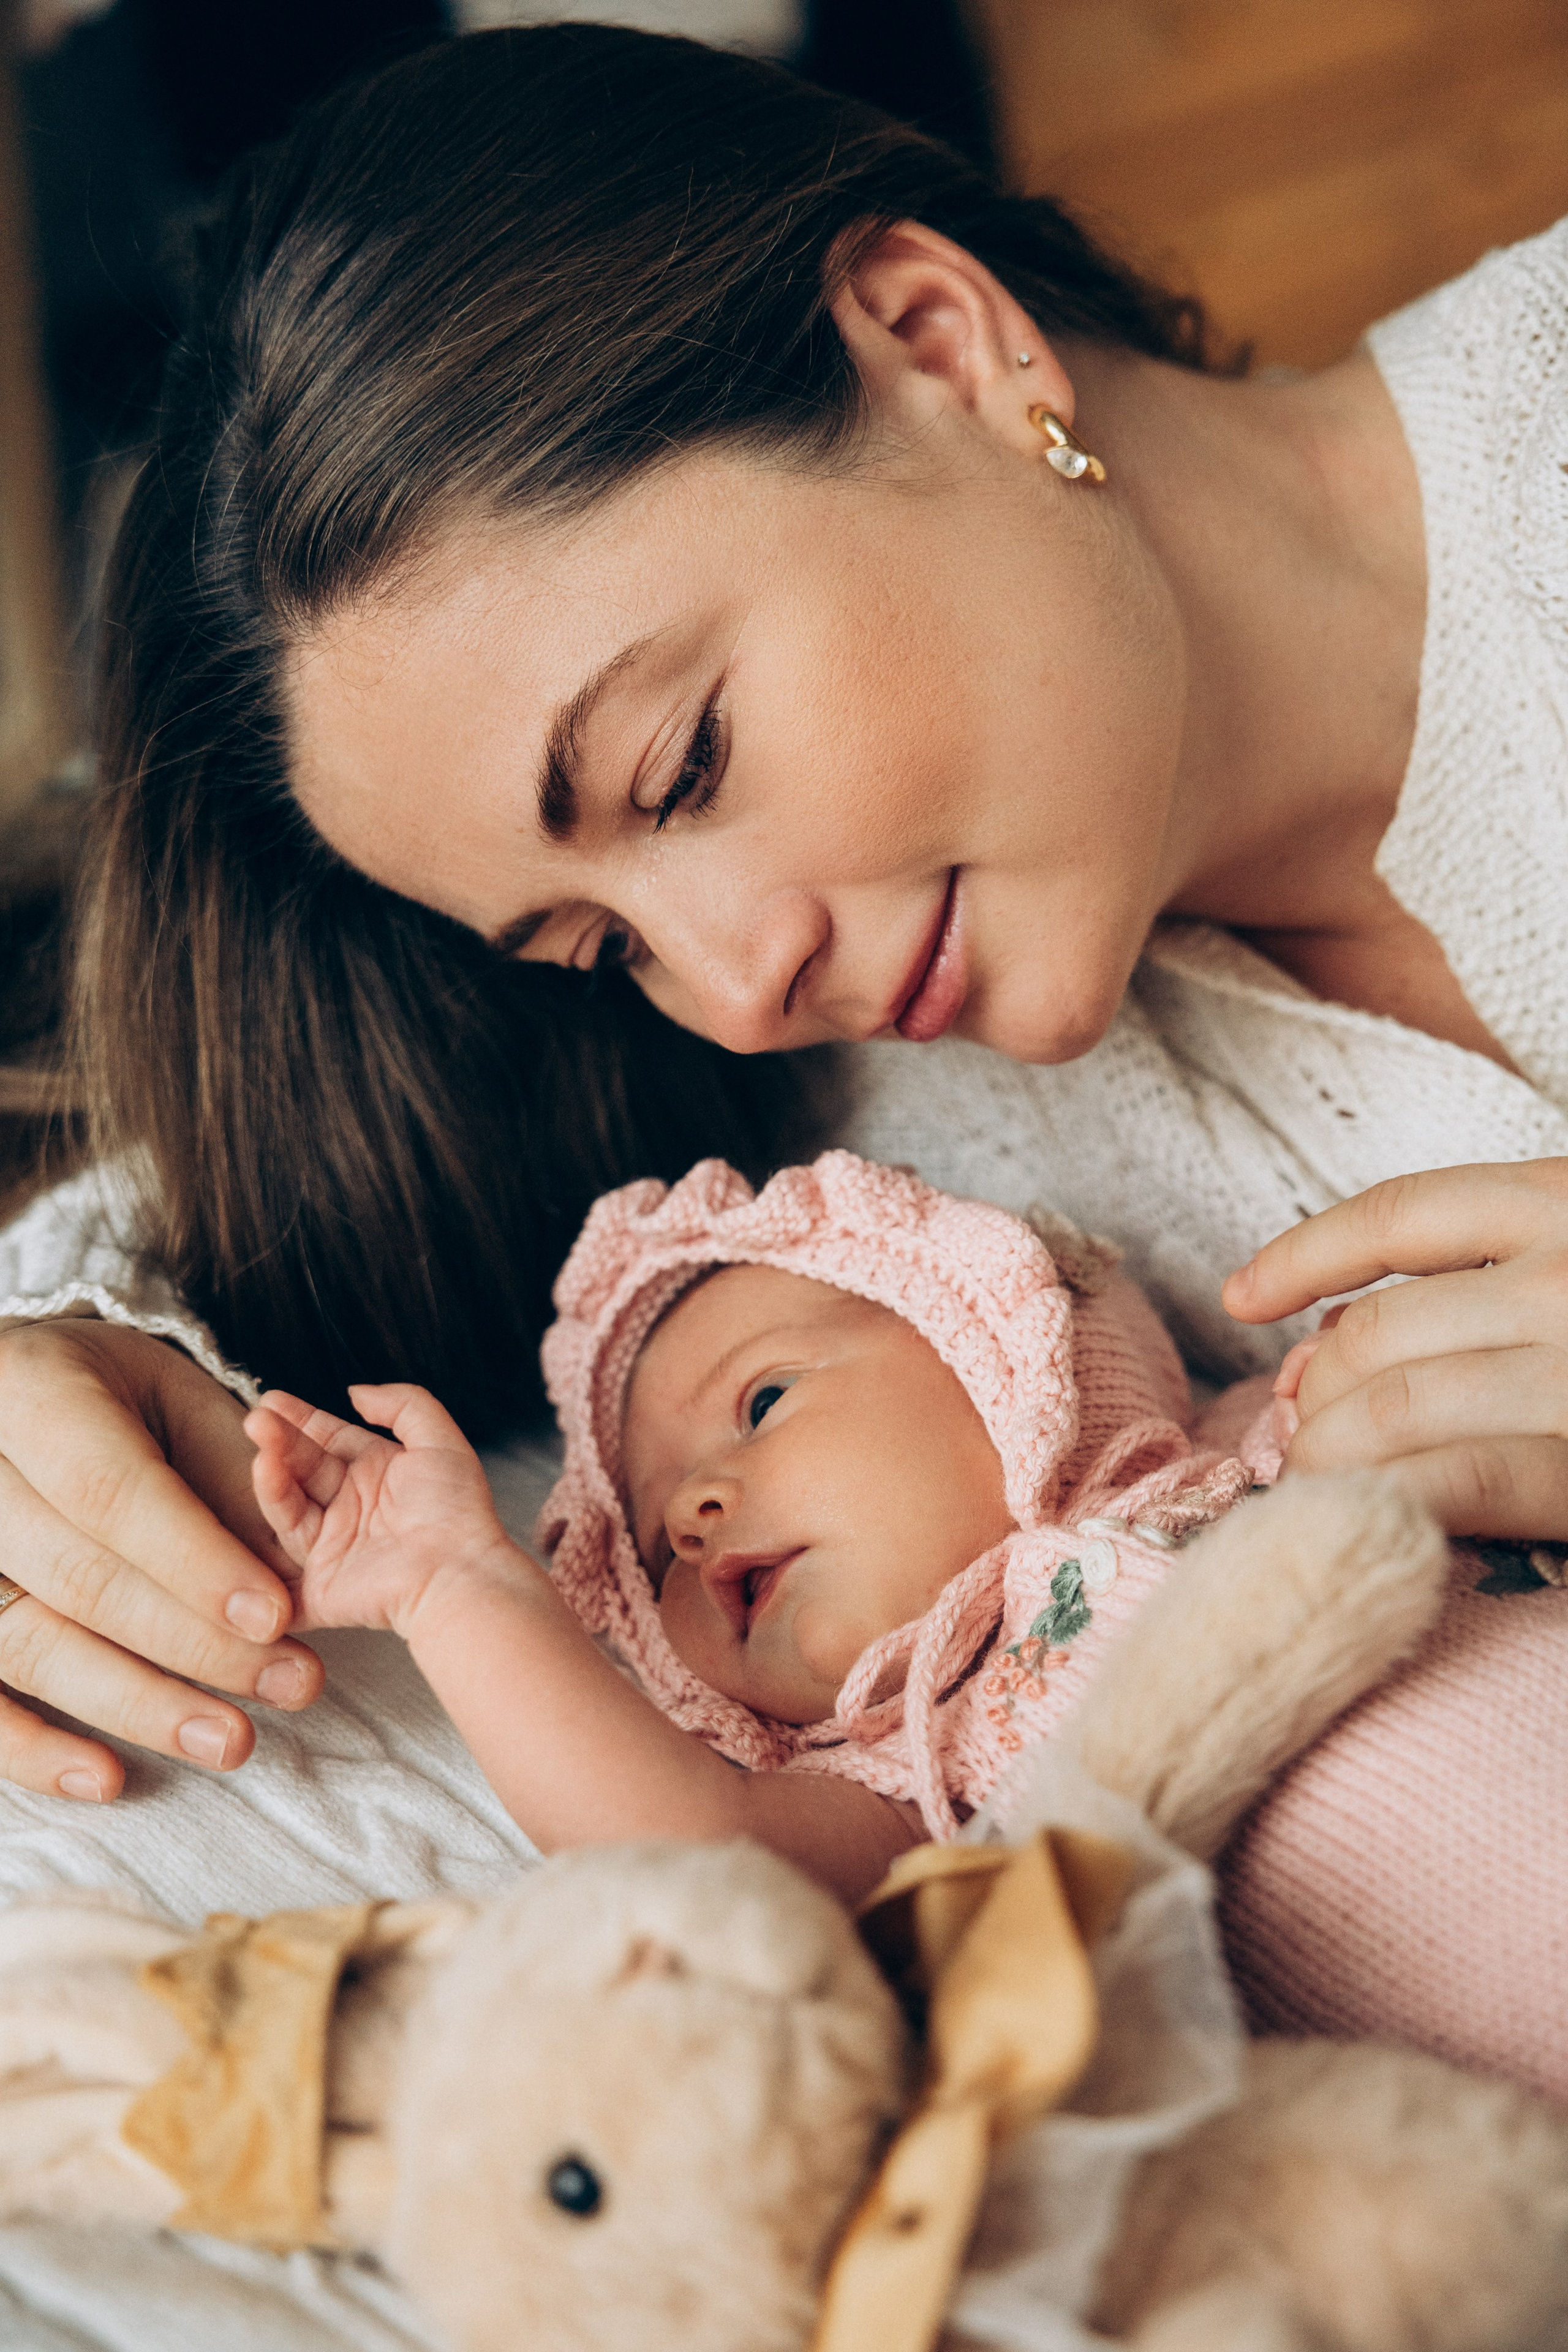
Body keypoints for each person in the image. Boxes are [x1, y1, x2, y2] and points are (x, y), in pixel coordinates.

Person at [0, 20, 1564, 1824]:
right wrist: (66, 1356)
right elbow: (268, 1211)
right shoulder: (903, 1173)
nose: (742, 986)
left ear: (932, 337)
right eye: (601, 948)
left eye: (683, 766)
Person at [244, 1152, 1254, 1899]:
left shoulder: (1274, 1445)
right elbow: (692, 1846)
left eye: (763, 1403)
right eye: (648, 1552)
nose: (689, 1516)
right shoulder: (923, 1781)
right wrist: (452, 1586)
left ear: (995, 1346)